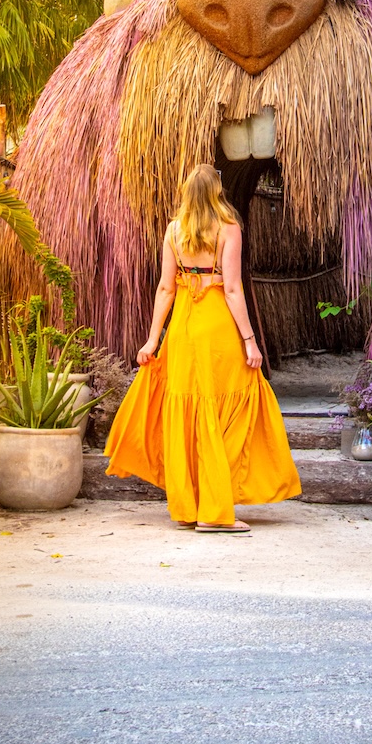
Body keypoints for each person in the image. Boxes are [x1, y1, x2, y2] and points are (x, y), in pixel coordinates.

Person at [105, 164, 301, 532]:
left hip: (182, 329)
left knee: (189, 413)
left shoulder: (173, 231)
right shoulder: (229, 228)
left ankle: (190, 507)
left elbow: (165, 289)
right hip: (216, 330)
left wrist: (152, 340)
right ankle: (214, 512)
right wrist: (250, 340)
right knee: (232, 409)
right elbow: (231, 288)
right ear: (217, 192)